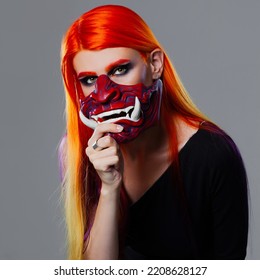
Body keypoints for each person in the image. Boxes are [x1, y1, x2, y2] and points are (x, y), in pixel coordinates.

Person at [59, 4, 248, 260]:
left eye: (119, 70)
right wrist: (109, 187)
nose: (104, 93)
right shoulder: (79, 151)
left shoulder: (212, 155)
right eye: (89, 80)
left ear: (155, 64)